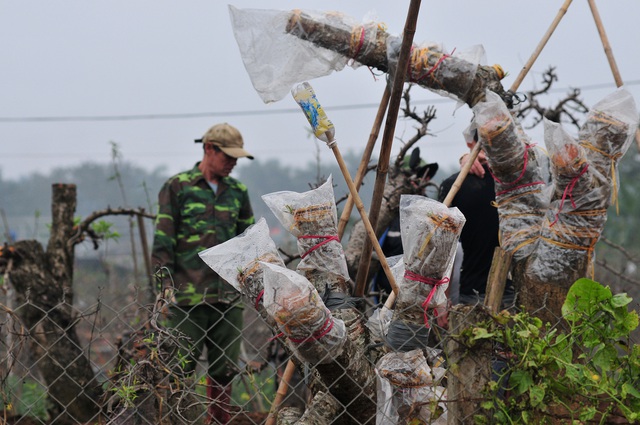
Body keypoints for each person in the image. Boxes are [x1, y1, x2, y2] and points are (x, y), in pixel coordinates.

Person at [151, 122, 255, 424]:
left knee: (224, 371)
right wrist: (163, 289)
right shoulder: (178, 187)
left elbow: (247, 241)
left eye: (237, 158)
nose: (233, 163)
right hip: (187, 299)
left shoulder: (237, 192)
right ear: (209, 149)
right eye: (228, 156)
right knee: (180, 368)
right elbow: (163, 242)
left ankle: (218, 421)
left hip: (227, 299)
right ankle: (179, 419)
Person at [438, 129, 513, 306]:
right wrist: (443, 299)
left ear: (471, 142)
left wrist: (443, 301)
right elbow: (443, 249)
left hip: (501, 294)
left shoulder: (518, 183)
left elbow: (441, 251)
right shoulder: (521, 182)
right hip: (480, 295)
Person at [372, 147, 439, 303]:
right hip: (385, 296)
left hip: (419, 297)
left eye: (426, 176)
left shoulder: (431, 213)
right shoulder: (386, 214)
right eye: (419, 176)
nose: (424, 181)